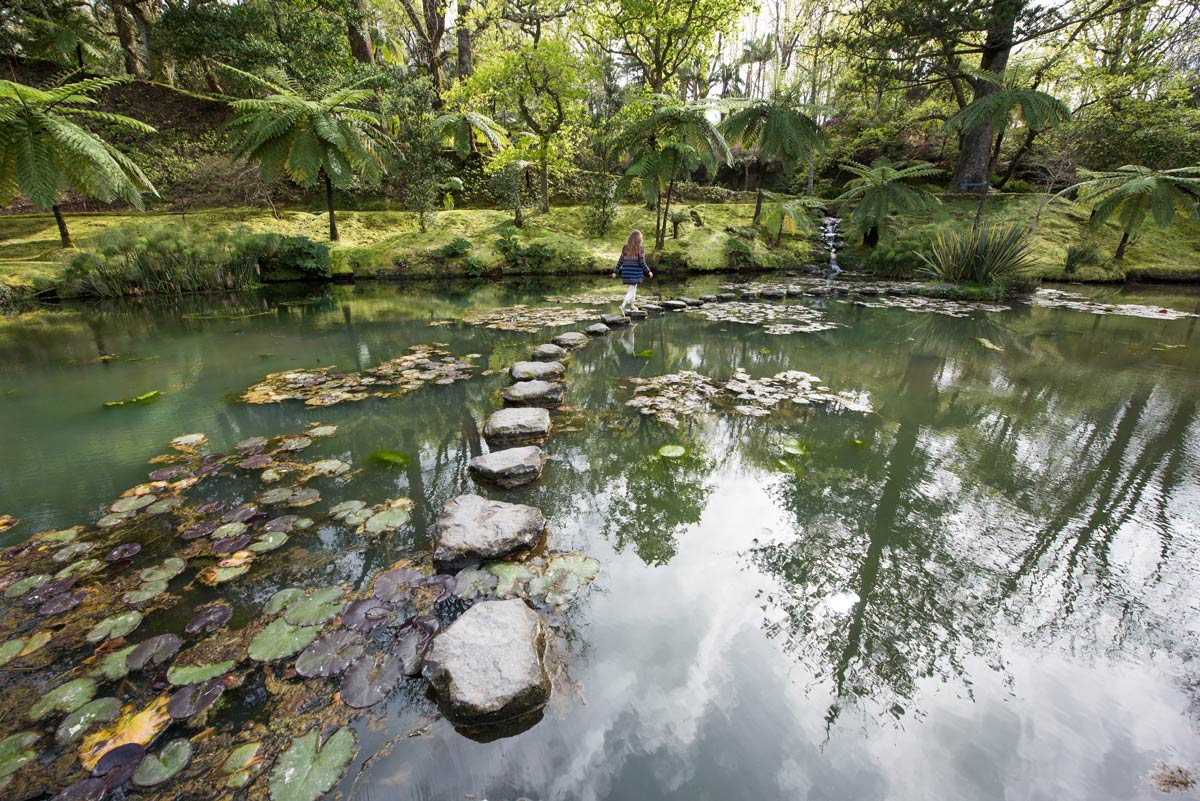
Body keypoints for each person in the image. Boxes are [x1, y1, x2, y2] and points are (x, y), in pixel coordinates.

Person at [613, 230, 653, 314]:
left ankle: (632, 306)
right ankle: (622, 306)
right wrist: (648, 271)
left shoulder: (625, 247)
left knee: (633, 288)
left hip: (626, 272)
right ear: (639, 239)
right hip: (635, 273)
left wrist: (615, 271)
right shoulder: (640, 248)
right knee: (631, 290)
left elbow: (621, 260)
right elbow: (642, 263)